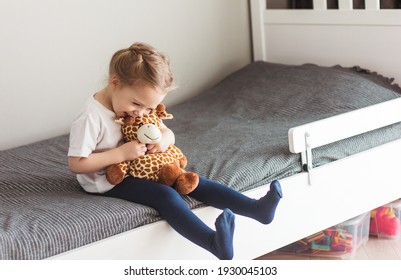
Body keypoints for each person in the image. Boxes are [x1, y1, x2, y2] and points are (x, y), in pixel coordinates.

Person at [68, 42, 283, 260]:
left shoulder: (138, 106)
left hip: (141, 167)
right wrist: (121, 154)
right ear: (115, 82)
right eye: (136, 104)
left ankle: (256, 209)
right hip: (109, 179)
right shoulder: (91, 117)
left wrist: (162, 141)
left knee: (191, 181)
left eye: (149, 108)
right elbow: (76, 163)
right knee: (165, 195)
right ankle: (213, 242)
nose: (141, 113)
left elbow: (167, 132)